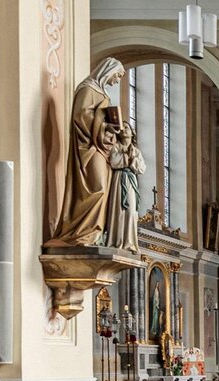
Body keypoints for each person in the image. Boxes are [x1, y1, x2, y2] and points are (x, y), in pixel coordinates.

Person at [50, 57, 125, 247]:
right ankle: (81, 233)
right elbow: (80, 115)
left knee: (103, 190)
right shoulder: (87, 89)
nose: (117, 81)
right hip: (88, 147)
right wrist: (104, 125)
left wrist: (111, 129)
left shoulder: (103, 93)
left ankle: (93, 234)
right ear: (108, 70)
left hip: (101, 147)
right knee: (97, 188)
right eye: (117, 76)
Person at [104, 122, 145, 253]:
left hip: (130, 181)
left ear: (132, 132)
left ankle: (129, 242)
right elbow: (113, 161)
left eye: (126, 127)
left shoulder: (136, 151)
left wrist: (131, 159)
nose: (123, 130)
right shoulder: (116, 147)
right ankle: (116, 241)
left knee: (131, 211)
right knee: (119, 210)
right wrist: (128, 158)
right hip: (119, 179)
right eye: (121, 128)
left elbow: (142, 168)